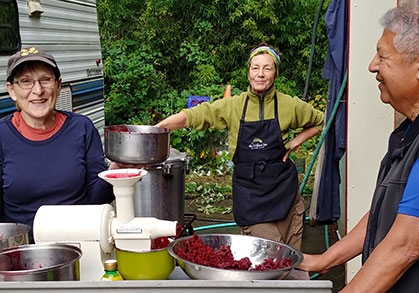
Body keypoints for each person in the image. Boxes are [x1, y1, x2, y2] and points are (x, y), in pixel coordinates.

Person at [298, 2, 419, 292]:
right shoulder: (406, 134)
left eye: (383, 55)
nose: (372, 65)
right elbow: (385, 215)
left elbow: (404, 245)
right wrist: (323, 259)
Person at [156, 43, 324, 250]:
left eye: (267, 68)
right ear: (248, 73)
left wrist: (296, 141)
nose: (260, 74)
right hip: (251, 197)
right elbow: (190, 117)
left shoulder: (290, 105)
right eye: (255, 68)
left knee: (293, 260)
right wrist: (154, 130)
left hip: (285, 193)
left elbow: (320, 121)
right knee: (268, 258)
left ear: (275, 73)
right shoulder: (233, 106)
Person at [0, 46, 115, 242]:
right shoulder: (2, 134)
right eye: (26, 82)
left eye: (46, 80)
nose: (38, 91)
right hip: (22, 248)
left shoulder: (82, 128)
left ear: (58, 85)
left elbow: (97, 197)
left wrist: (116, 173)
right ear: (12, 90)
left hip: (80, 243)